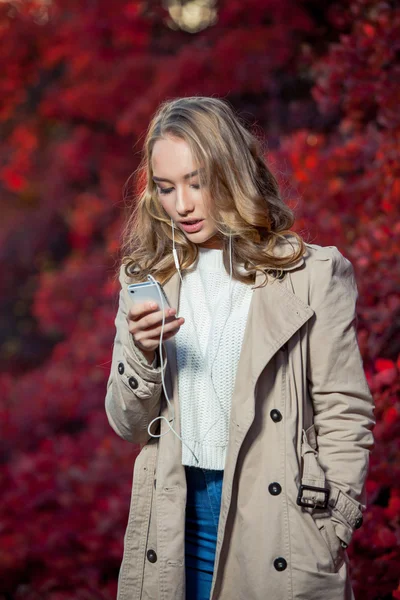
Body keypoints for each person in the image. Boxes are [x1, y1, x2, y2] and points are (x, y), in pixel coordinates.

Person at [105, 96, 375, 600]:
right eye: (165, 188)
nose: (181, 204)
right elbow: (128, 425)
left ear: (231, 172)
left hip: (278, 518)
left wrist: (331, 528)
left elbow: (346, 410)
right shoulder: (149, 278)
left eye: (196, 182)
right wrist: (142, 354)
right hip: (176, 517)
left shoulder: (312, 275)